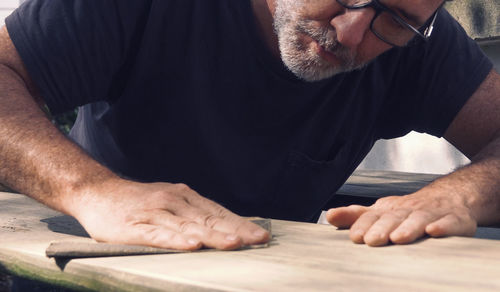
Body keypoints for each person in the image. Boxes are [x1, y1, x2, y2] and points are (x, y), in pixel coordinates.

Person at [0, 0, 498, 249]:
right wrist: (91, 190)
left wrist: (462, 194)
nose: (350, 32)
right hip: (104, 267)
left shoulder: (416, 40)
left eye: (393, 20)